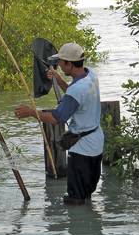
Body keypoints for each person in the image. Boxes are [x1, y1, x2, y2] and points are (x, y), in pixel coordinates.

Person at [14, 42, 104, 205]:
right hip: (96, 143)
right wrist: (58, 79)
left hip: (82, 150)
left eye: (62, 63)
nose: (60, 66)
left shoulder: (77, 90)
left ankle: (77, 226)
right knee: (86, 194)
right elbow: (75, 93)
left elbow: (56, 118)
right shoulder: (91, 75)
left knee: (75, 200)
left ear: (69, 64)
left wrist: (31, 112)